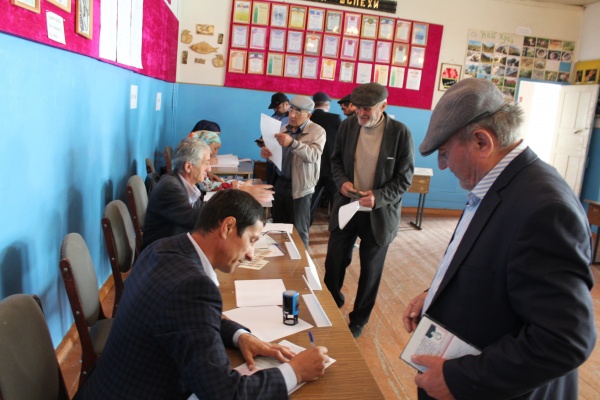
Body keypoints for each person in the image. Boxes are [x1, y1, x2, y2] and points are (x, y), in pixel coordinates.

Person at [402, 78, 596, 400]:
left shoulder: (544, 210)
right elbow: (488, 264)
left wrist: (459, 379)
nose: (442, 165)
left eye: (445, 153)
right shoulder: (501, 183)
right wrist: (435, 294)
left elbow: (564, 340)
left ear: (481, 141)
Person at [75, 190, 330, 399]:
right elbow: (225, 393)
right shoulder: (193, 287)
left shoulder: (161, 248)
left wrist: (240, 336)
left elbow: (188, 318)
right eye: (252, 240)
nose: (251, 254)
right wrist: (295, 371)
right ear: (228, 227)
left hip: (107, 386)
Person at [324, 83, 414, 338]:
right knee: (334, 262)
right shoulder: (348, 126)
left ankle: (358, 320)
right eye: (358, 108)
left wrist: (378, 197)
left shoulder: (400, 133)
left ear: (383, 106)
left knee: (370, 272)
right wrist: (342, 182)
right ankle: (331, 303)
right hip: (348, 206)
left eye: (367, 109)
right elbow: (335, 161)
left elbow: (404, 179)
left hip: (379, 213)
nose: (361, 113)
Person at [142, 137, 272, 250]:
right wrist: (238, 196)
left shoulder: (187, 185)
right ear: (188, 167)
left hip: (177, 246)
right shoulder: (170, 187)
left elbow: (203, 213)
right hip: (162, 255)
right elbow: (197, 221)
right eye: (206, 163)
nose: (209, 168)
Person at [260, 95, 325, 248]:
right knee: (278, 227)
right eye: (291, 110)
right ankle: (280, 259)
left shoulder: (317, 131)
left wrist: (293, 144)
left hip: (300, 187)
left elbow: (314, 156)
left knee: (298, 230)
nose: (292, 115)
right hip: (280, 183)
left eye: (298, 112)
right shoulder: (284, 129)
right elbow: (278, 156)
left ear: (308, 115)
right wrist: (267, 154)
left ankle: (302, 262)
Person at [309, 91, 342, 224]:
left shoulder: (309, 118)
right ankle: (337, 228)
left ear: (314, 104)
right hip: (331, 168)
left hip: (312, 167)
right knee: (337, 202)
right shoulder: (335, 118)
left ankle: (304, 228)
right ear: (327, 104)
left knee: (310, 203)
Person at [256, 92, 291, 184]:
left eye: (278, 107)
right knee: (270, 185)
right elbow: (266, 134)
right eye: (274, 108)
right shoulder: (273, 117)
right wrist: (262, 141)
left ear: (286, 104)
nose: (275, 110)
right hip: (271, 157)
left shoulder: (292, 119)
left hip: (284, 158)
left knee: (281, 185)